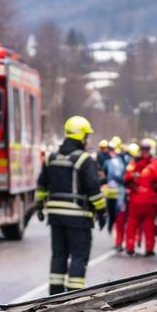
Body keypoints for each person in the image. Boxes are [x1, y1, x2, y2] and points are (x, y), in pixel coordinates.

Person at [35, 115, 106, 293]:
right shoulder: (85, 160)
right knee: (79, 257)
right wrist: (102, 211)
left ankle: (55, 295)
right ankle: (73, 296)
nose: (86, 140)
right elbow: (93, 189)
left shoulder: (50, 158)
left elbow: (42, 184)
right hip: (79, 218)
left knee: (58, 255)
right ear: (81, 137)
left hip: (56, 218)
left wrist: (39, 205)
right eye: (86, 136)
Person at [122, 138, 157, 257]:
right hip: (150, 199)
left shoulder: (133, 163)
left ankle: (130, 246)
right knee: (149, 224)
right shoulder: (155, 164)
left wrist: (136, 189)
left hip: (136, 199)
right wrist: (151, 191)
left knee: (132, 223)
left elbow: (127, 180)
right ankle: (149, 248)